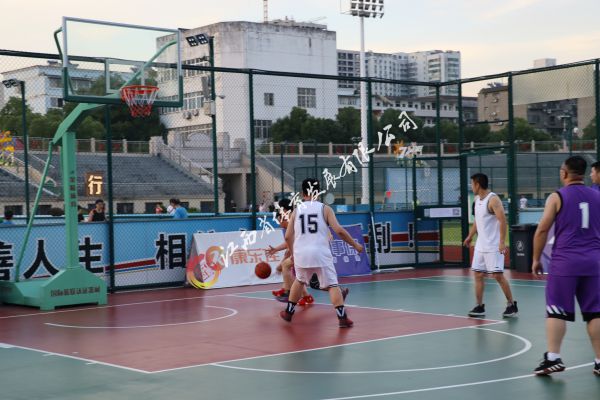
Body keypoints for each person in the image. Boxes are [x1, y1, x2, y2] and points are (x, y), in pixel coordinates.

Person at [531, 156, 600, 376]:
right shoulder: (597, 196)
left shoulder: (557, 196)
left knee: (556, 311)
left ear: (564, 173)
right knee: (595, 313)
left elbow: (542, 230)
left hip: (565, 263)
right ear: (583, 173)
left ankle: (553, 358)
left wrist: (536, 259)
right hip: (594, 262)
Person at [280, 178, 363, 328]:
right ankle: (342, 318)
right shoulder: (325, 209)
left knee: (299, 281)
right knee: (332, 285)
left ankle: (288, 312)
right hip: (320, 253)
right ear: (318, 192)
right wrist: (355, 245)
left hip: (301, 254)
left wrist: (293, 253)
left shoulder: (296, 211)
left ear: (302, 193)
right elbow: (339, 230)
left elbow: (287, 236)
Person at [463, 173, 518, 318]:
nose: (471, 187)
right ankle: (479, 306)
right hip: (480, 246)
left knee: (497, 275)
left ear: (478, 184)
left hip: (494, 245)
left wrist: (502, 242)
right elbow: (477, 221)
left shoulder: (493, 199)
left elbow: (502, 220)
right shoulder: (477, 200)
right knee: (478, 274)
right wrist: (470, 236)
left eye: (472, 184)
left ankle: (511, 305)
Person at [267, 199, 315, 306]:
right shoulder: (294, 217)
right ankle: (306, 296)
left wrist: (284, 253)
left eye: (280, 209)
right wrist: (282, 251)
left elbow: (289, 240)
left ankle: (287, 291)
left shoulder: (292, 219)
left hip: (305, 249)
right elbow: (290, 241)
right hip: (305, 248)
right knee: (296, 275)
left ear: (284, 209)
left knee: (285, 266)